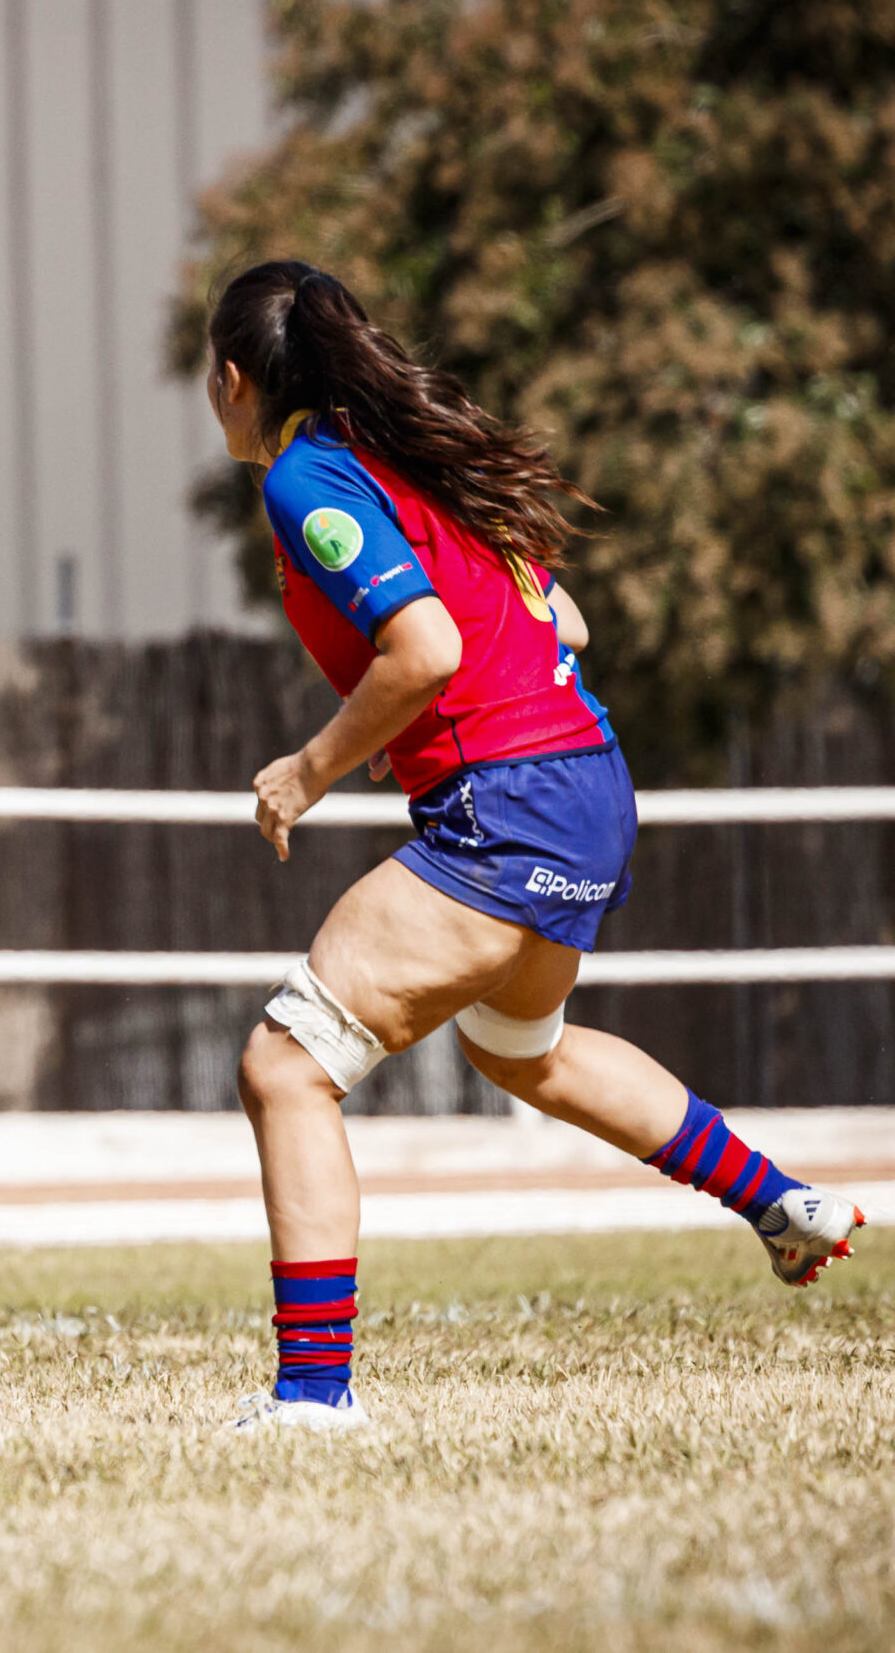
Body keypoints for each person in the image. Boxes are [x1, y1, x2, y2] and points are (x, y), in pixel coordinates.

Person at [204, 260, 863, 1433]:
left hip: (506, 805)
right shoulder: (414, 456)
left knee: (285, 1066)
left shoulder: (309, 473)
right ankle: (778, 1202)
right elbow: (564, 619)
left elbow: (425, 650)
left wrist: (308, 769)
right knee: (522, 1050)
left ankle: (312, 1395)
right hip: (587, 783)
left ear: (231, 379)